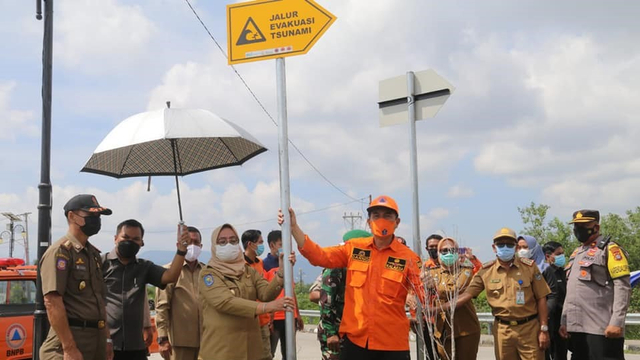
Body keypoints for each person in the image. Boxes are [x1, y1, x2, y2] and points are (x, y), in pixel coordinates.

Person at [280, 195, 423, 360]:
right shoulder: (355, 249)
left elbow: (422, 293)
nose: (381, 220)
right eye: (376, 215)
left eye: (387, 216)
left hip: (392, 345)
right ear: (369, 221)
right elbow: (319, 256)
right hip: (355, 342)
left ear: (397, 222)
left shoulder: (410, 258)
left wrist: (416, 310)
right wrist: (294, 227)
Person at [442, 227, 551, 360]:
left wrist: (544, 329)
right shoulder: (486, 271)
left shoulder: (529, 267)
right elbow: (466, 295)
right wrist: (439, 308)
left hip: (529, 329)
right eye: (501, 244)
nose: (505, 247)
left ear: (516, 247)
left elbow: (542, 298)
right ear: (494, 247)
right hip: (502, 331)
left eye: (509, 244)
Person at [199, 223, 294, 360]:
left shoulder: (247, 271)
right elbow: (225, 302)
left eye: (233, 241)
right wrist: (266, 307)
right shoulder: (208, 274)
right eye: (222, 242)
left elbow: (265, 293)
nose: (228, 245)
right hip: (222, 350)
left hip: (251, 348)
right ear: (214, 246)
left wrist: (281, 272)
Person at [102, 219, 191, 360]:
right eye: (125, 237)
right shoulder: (101, 264)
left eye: (135, 239)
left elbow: (171, 276)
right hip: (105, 345)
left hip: (136, 346)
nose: (130, 241)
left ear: (141, 243)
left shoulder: (144, 267)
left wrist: (181, 250)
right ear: (115, 238)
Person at [39, 194, 113, 360]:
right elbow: (52, 302)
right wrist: (69, 348)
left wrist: (107, 339)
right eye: (91, 215)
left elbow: (99, 301)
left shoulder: (93, 254)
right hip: (71, 341)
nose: (97, 220)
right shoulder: (61, 252)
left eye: (98, 216)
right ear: (72, 216)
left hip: (96, 340)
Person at [560, 210, 631, 360]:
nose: (578, 230)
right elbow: (571, 290)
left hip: (602, 328)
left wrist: (617, 322)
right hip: (577, 328)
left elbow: (623, 287)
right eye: (576, 226)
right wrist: (564, 321)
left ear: (596, 227)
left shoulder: (609, 249)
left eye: (584, 226)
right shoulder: (576, 253)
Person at [317, 229, 372, 360]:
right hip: (334, 331)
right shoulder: (337, 266)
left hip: (353, 332)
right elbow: (325, 301)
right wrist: (330, 334)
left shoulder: (362, 267)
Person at [156, 226, 205, 360]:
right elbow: (162, 306)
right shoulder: (169, 272)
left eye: (196, 243)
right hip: (180, 343)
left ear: (201, 246)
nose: (192, 246)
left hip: (207, 341)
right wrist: (162, 338)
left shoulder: (207, 272)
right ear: (179, 245)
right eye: (188, 242)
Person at [426, 237, 480, 360]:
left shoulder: (466, 272)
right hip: (442, 330)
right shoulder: (431, 273)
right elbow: (420, 294)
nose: (448, 253)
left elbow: (456, 291)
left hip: (466, 330)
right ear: (438, 254)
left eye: (452, 250)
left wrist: (435, 289)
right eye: (444, 251)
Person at [265, 253, 304, 359]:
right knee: (269, 353)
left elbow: (292, 292)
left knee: (288, 352)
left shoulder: (288, 272)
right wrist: (270, 317)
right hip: (276, 318)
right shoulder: (269, 272)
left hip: (290, 316)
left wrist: (298, 315)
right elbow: (267, 295)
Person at [242, 229, 272, 360]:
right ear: (250, 244)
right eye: (260, 242)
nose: (262, 245)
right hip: (247, 322)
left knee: (266, 356)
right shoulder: (240, 265)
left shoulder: (260, 262)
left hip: (263, 320)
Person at [541, 241, 567, 360]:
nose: (562, 256)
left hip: (561, 320)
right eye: (558, 254)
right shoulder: (544, 272)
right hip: (549, 319)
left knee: (560, 354)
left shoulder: (562, 272)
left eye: (562, 253)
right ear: (548, 256)